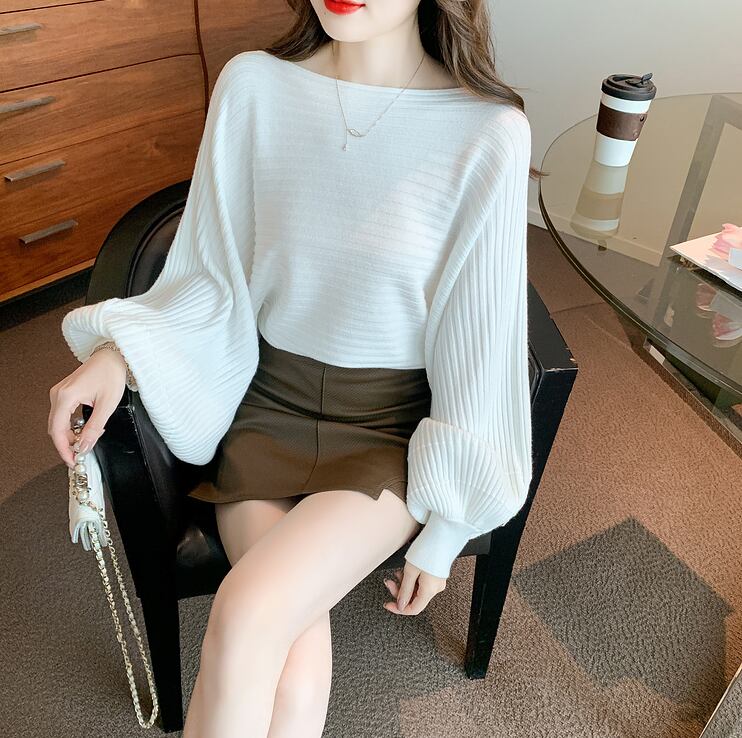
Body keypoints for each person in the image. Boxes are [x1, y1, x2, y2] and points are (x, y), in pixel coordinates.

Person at [48, 1, 542, 735]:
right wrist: (119, 353)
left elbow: (481, 342)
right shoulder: (254, 87)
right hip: (265, 409)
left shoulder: (486, 131)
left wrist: (445, 533)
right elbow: (211, 275)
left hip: (387, 433)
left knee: (247, 615)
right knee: (294, 668)